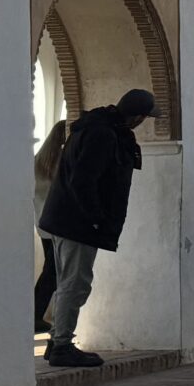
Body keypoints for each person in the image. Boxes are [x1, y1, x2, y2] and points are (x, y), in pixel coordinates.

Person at [38, 87, 156, 369]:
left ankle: (57, 339)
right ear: (137, 117)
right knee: (75, 284)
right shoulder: (102, 134)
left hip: (65, 219)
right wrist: (94, 217)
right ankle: (62, 346)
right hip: (77, 222)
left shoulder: (96, 127)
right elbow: (85, 179)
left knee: (69, 281)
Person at [31, 118, 70, 334]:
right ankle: (36, 314)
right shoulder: (63, 161)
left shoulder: (38, 161)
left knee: (51, 271)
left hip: (43, 225)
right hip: (60, 225)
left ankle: (37, 314)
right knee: (56, 272)